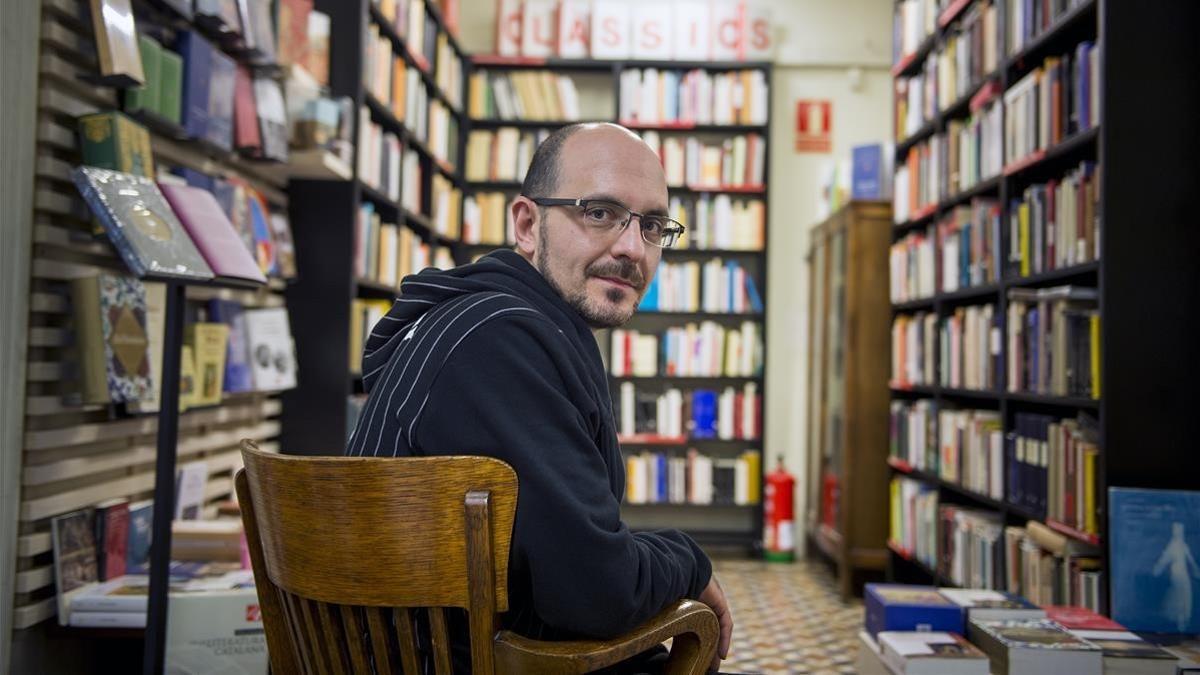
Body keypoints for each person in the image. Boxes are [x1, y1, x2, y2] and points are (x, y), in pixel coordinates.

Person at [345, 123, 734, 673]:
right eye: (599, 212)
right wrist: (690, 559)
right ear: (527, 224)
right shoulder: (500, 343)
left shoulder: (482, 322)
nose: (631, 249)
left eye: (651, 226)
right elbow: (597, 593)